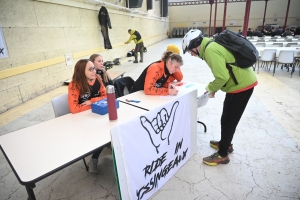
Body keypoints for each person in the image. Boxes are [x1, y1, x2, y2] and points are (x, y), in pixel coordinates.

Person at [182, 29, 257, 166]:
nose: (191, 55)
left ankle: (223, 154)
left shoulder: (210, 50)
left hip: (241, 86)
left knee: (229, 120)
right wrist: (215, 88)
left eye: (190, 51)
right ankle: (225, 144)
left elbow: (222, 77)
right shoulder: (210, 45)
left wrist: (210, 88)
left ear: (196, 46)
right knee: (227, 119)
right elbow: (225, 71)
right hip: (239, 83)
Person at [68, 59, 107, 173]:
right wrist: (94, 104)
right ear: (81, 71)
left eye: (93, 68)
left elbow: (106, 96)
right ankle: (94, 159)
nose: (94, 71)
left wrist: (92, 101)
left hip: (97, 113)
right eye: (90, 69)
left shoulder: (97, 79)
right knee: (101, 131)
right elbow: (74, 109)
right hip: (81, 119)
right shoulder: (74, 85)